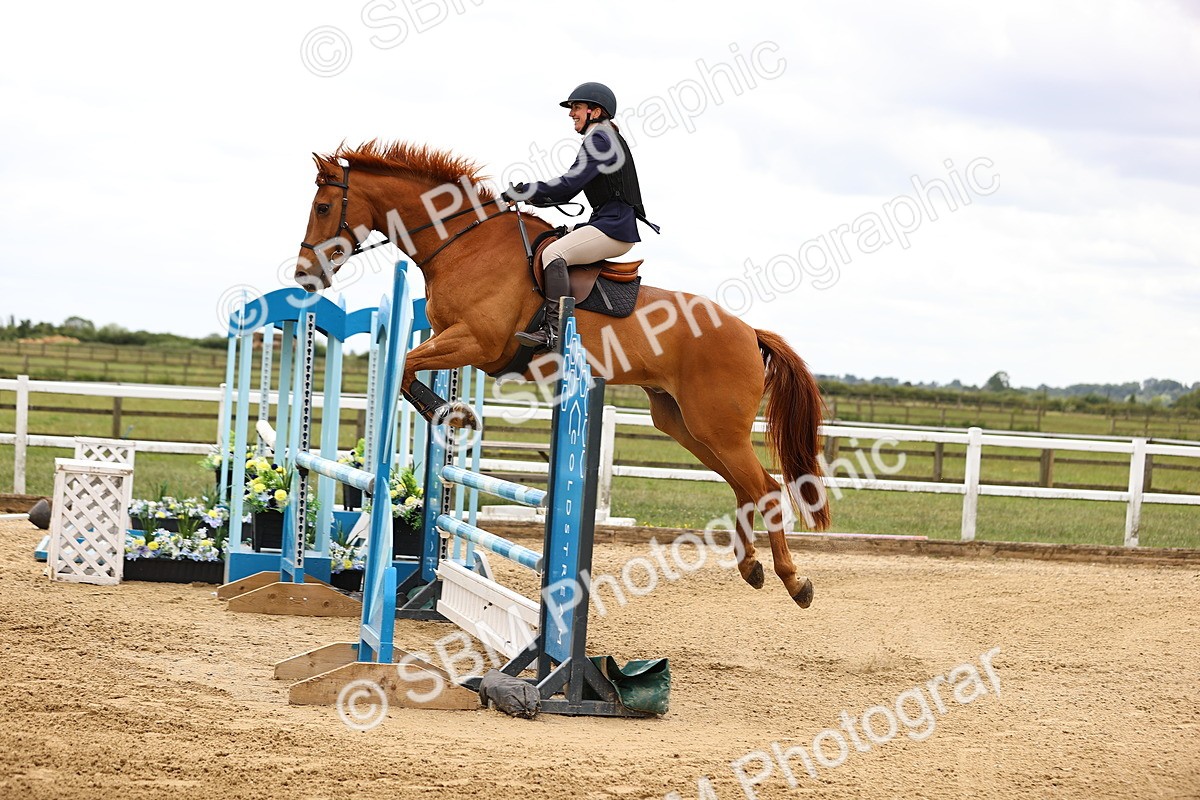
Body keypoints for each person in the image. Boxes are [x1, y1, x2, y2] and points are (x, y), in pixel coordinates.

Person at [502, 82, 658, 351]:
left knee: (554, 254)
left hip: (614, 228)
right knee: (551, 239)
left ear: (595, 112)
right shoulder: (604, 137)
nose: (571, 113)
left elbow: (568, 186)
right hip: (607, 222)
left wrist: (527, 191)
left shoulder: (601, 139)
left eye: (576, 107)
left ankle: (554, 332)